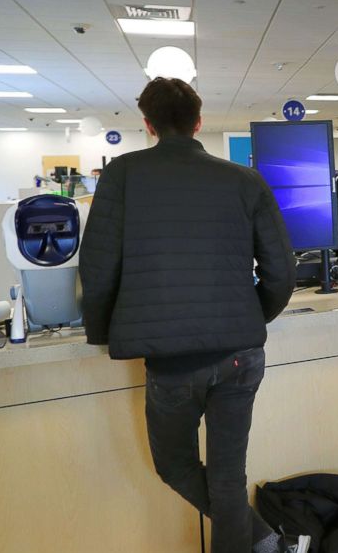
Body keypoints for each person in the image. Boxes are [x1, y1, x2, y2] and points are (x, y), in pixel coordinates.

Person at [79, 78, 303, 553]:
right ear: (199, 122)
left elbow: (97, 266)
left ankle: (266, 541)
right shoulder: (245, 180)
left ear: (148, 124)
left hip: (172, 361)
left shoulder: (122, 174)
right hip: (241, 355)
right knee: (227, 478)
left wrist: (101, 333)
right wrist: (248, 316)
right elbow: (282, 273)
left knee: (176, 467)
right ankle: (266, 542)